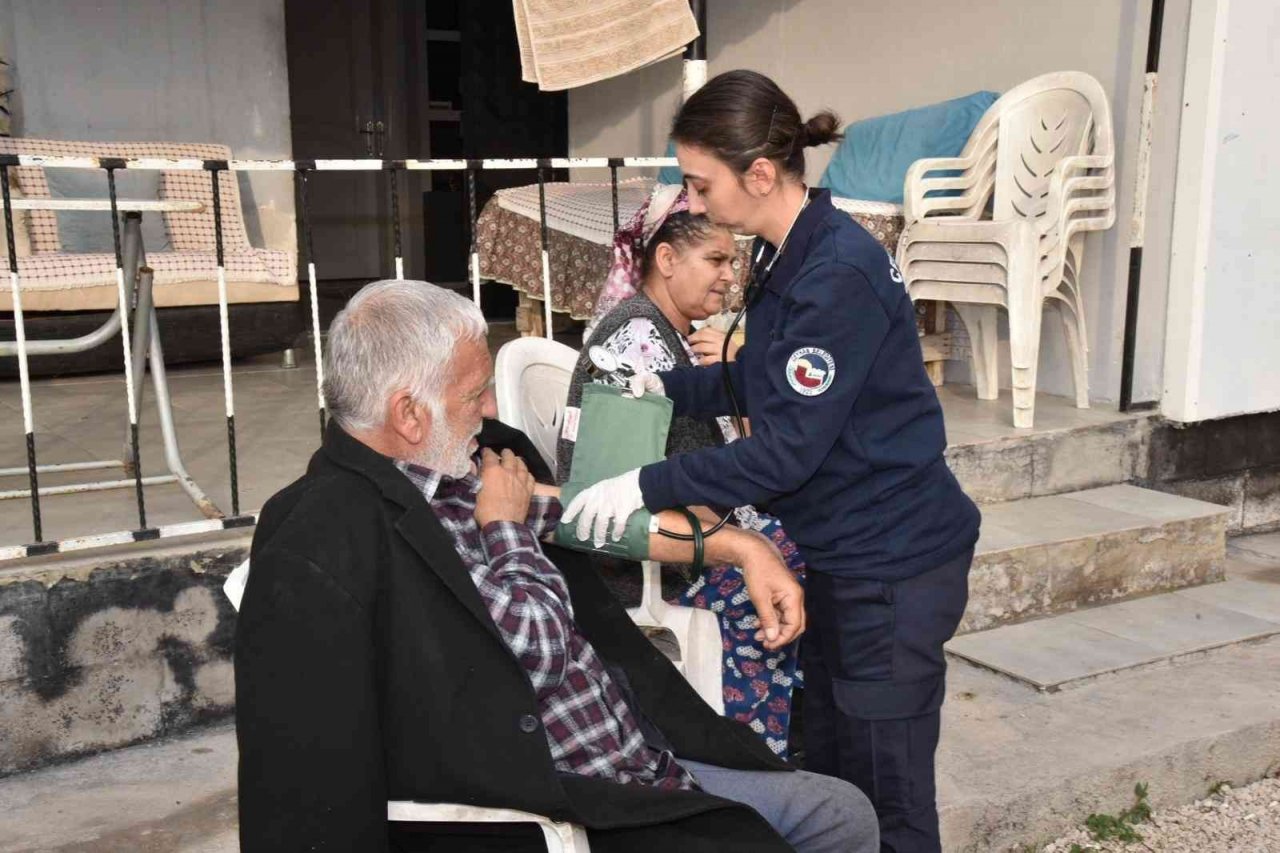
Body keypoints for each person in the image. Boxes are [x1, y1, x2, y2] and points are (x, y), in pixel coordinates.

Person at [234, 278, 878, 853]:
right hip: (573, 799)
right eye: (473, 395)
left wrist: (742, 547)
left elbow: (594, 516)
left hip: (638, 751)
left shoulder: (452, 469)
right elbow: (536, 650)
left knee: (839, 813)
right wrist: (506, 527)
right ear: (408, 413)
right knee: (821, 823)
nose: (489, 411)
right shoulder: (325, 536)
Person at [563, 71, 983, 853]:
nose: (693, 200)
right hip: (843, 554)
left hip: (891, 564)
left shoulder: (834, 274)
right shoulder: (790, 253)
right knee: (829, 771)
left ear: (758, 175)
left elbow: (785, 451)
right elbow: (758, 375)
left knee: (887, 796)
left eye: (700, 182)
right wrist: (665, 385)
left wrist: (643, 481)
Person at [559, 185, 806, 758]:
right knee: (785, 557)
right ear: (666, 260)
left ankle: (786, 726)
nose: (729, 277)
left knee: (809, 534)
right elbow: (631, 482)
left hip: (691, 522)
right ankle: (751, 751)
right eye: (715, 260)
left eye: (733, 262)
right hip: (648, 557)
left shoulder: (676, 335)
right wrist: (741, 535)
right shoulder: (637, 336)